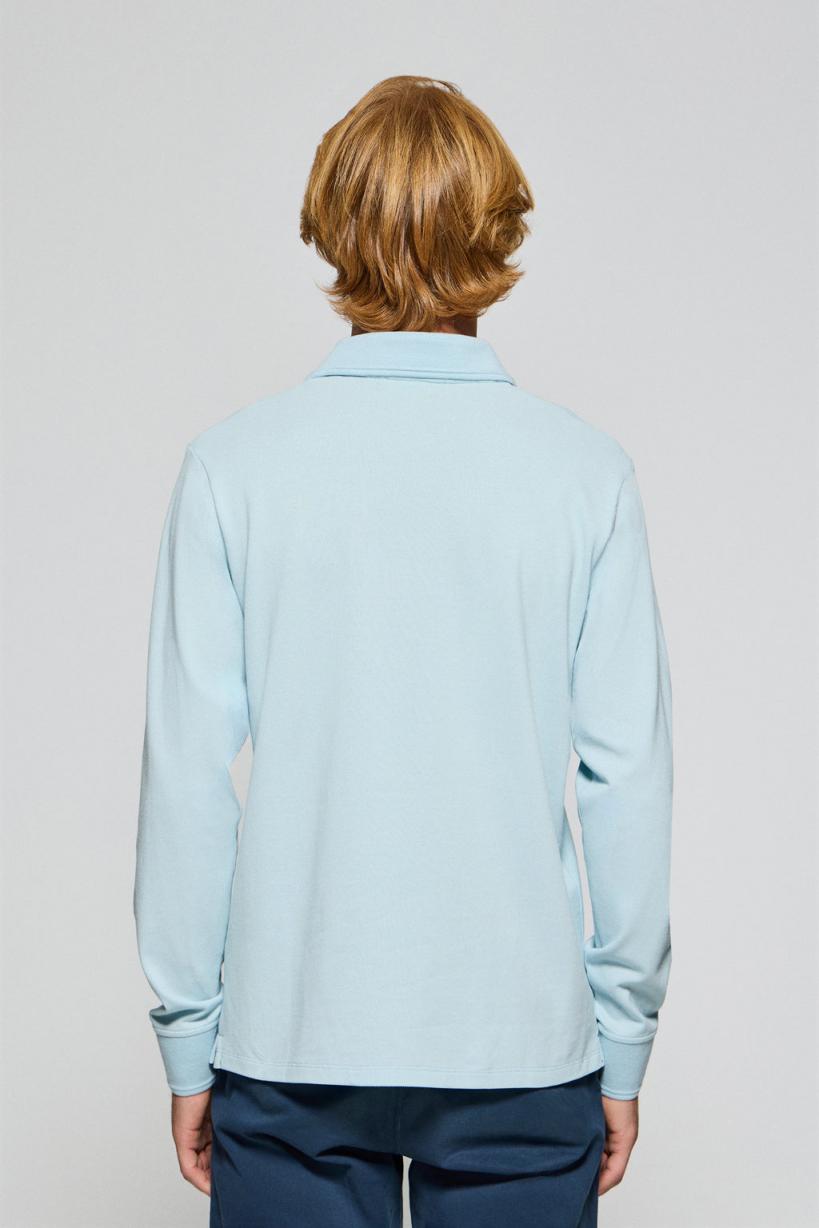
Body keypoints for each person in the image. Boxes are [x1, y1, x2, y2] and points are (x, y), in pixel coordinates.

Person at [133, 75, 673, 1227]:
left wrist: (188, 1034)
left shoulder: (235, 468)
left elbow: (186, 777)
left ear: (332, 227)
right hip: (521, 1045)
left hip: (291, 1037)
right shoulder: (585, 475)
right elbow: (625, 777)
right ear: (499, 225)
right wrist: (624, 1037)